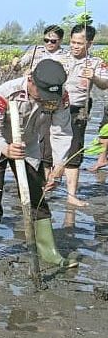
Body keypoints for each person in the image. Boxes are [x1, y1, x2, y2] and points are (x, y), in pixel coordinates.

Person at [0, 59, 78, 268]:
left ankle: (49, 252)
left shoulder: (60, 97)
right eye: (41, 94)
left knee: (36, 196)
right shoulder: (5, 93)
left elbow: (61, 132)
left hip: (28, 145)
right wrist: (6, 148)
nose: (45, 100)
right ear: (31, 80)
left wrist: (58, 167)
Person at [48, 24, 108, 206]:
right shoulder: (61, 57)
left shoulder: (95, 62)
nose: (75, 46)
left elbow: (105, 84)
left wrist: (94, 78)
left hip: (79, 109)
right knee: (47, 146)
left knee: (74, 149)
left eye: (79, 43)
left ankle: (71, 195)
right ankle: (46, 185)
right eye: (72, 42)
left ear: (89, 44)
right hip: (56, 106)